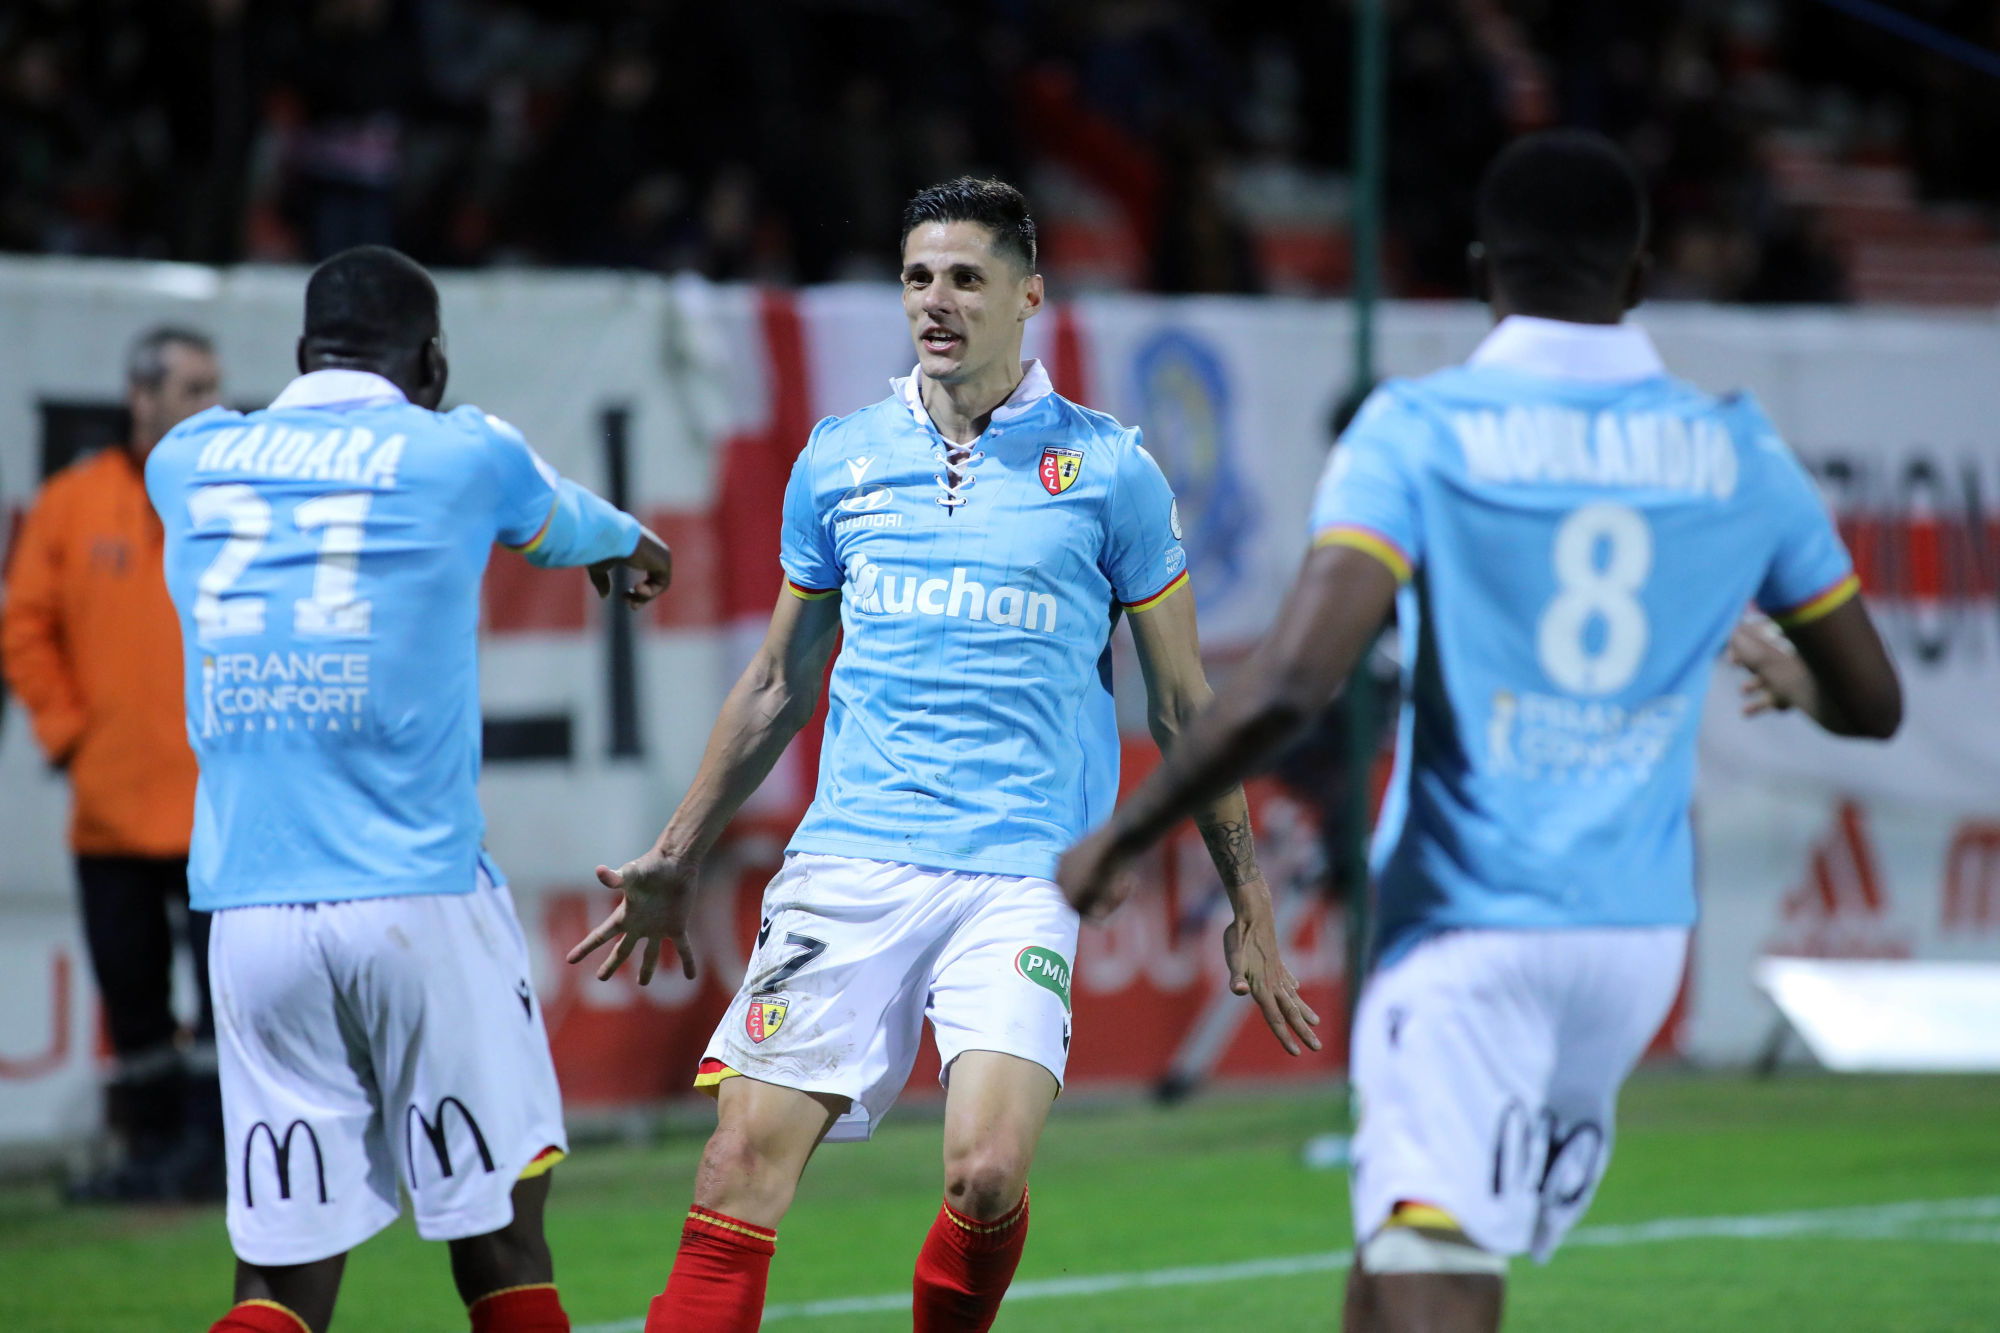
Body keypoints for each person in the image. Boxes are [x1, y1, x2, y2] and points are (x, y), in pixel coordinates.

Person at [1056, 130, 1903, 1333]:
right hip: (1634, 940)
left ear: (1475, 272)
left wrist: (1125, 832)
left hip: (1471, 919)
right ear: (1639, 277)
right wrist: (1804, 688)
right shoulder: (1735, 446)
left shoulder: (1419, 428)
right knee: (1402, 1243)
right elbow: (1872, 703)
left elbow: (1297, 676)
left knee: (1431, 1267)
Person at [568, 176, 1321, 1333]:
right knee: (734, 1168)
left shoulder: (1106, 471)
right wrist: (677, 849)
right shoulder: (840, 460)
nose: (936, 300)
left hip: (1021, 875)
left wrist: (1248, 900)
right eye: (918, 276)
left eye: (966, 277)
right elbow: (777, 680)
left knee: (982, 1175)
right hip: (851, 860)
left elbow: (1182, 706)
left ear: (1028, 296)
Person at [145, 245, 673, 1333]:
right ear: (429, 363)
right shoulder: (463, 453)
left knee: (280, 1276)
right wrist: (630, 545)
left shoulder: (188, 460)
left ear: (300, 355)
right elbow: (564, 519)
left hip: (251, 918)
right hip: (415, 899)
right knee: (498, 1235)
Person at [2, 326, 224, 1202]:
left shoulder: (233, 499)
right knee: (130, 993)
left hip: (218, 802)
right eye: (191, 387)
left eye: (214, 385)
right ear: (142, 398)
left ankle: (221, 1157)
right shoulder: (71, 503)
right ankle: (149, 1158)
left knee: (226, 998)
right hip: (113, 802)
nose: (209, 403)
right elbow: (23, 630)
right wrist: (70, 735)